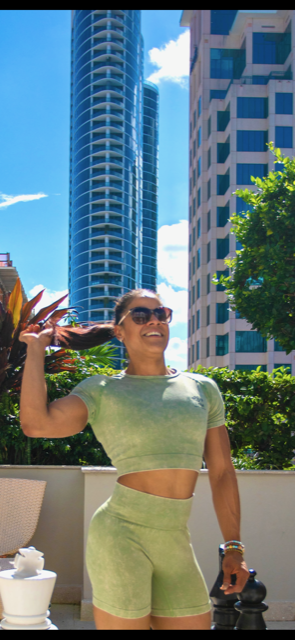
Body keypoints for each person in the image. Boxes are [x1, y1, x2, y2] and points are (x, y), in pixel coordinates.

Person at [19, 288, 249, 631]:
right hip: (120, 534)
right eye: (141, 315)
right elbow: (37, 425)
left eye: (161, 314)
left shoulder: (202, 388)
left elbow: (221, 472)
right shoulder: (101, 390)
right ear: (120, 331)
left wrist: (234, 546)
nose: (154, 321)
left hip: (174, 537)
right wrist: (36, 351)